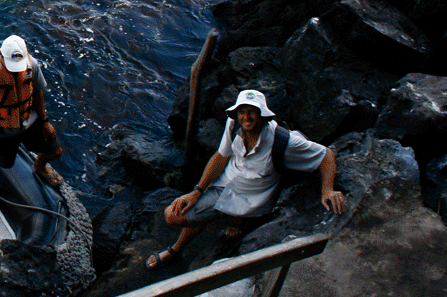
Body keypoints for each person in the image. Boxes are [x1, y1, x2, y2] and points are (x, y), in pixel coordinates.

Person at [147, 89, 348, 270]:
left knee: (207, 214)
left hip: (251, 200)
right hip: (225, 186)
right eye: (242, 111)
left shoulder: (282, 141)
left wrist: (327, 190)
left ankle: (236, 221)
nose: (246, 117)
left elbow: (326, 155)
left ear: (263, 115)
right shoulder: (233, 124)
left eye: (252, 111)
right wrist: (197, 191)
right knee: (173, 215)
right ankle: (178, 248)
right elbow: (221, 156)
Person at [0, 35, 64, 221]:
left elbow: (37, 92)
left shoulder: (31, 65)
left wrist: (45, 122)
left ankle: (39, 165)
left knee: (56, 151)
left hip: (27, 119)